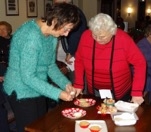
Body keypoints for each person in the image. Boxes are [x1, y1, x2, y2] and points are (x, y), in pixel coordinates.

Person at [3, 3, 79, 132]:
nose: (66, 34)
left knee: (42, 125)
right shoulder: (31, 37)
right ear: (55, 21)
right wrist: (58, 93)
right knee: (30, 128)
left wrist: (66, 84)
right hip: (20, 89)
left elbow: (50, 66)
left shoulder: (52, 36)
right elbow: (27, 77)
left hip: (38, 86)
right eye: (66, 29)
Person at [73, 13, 146, 105]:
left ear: (113, 31)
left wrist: (137, 92)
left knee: (118, 117)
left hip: (121, 91)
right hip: (94, 90)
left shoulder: (123, 39)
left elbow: (140, 63)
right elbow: (79, 60)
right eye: (94, 35)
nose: (98, 39)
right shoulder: (86, 36)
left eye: (102, 37)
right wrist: (78, 84)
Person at [54, 0, 87, 83]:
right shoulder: (65, 11)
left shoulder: (73, 13)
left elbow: (76, 35)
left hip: (75, 54)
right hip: (68, 55)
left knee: (76, 81)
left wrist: (70, 52)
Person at [0, 21, 12, 132]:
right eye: (0, 30)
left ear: (8, 29)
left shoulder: (13, 39)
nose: (1, 32)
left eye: (3, 29)